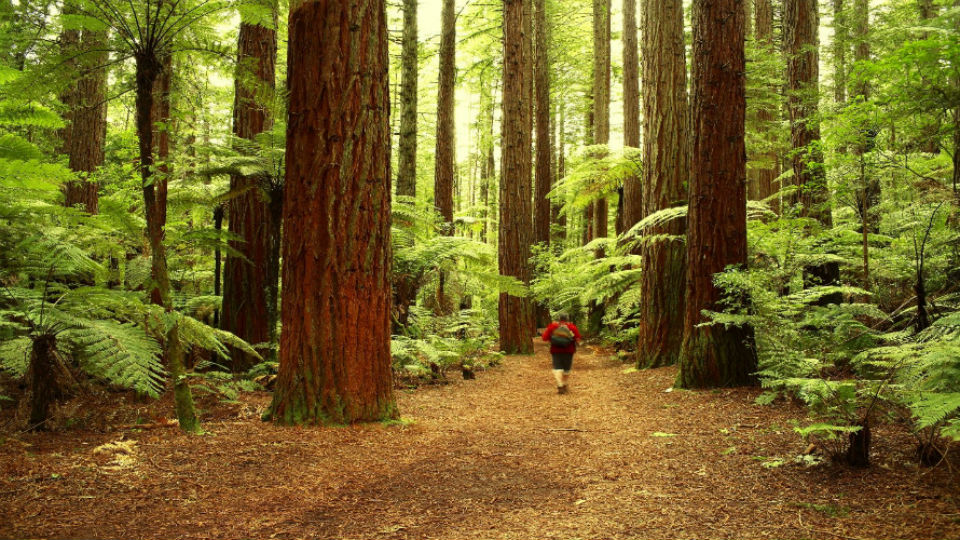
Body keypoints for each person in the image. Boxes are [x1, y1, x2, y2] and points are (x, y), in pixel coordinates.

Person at [541, 313, 582, 394]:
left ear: (559, 319)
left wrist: (552, 339)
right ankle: (565, 384)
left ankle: (560, 384)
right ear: (567, 319)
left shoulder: (552, 326)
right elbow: (577, 339)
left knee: (557, 368)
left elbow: (544, 338)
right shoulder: (572, 327)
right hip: (569, 351)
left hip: (555, 351)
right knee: (567, 369)